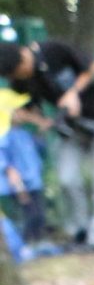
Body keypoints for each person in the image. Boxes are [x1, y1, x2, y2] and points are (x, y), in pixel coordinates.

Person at [0, 39, 94, 252]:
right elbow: (29, 107)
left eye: (20, 73)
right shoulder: (21, 80)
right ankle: (80, 232)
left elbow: (92, 66)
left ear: (23, 60)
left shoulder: (53, 50)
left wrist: (73, 92)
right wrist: (31, 119)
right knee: (67, 179)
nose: (20, 79)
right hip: (69, 129)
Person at [2, 90, 48, 249]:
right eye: (20, 109)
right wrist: (19, 187)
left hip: (34, 183)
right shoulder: (5, 136)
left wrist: (41, 128)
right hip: (18, 187)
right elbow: (8, 166)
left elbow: (39, 150)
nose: (25, 113)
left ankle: (37, 242)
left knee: (39, 215)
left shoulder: (24, 133)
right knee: (27, 216)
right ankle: (23, 246)